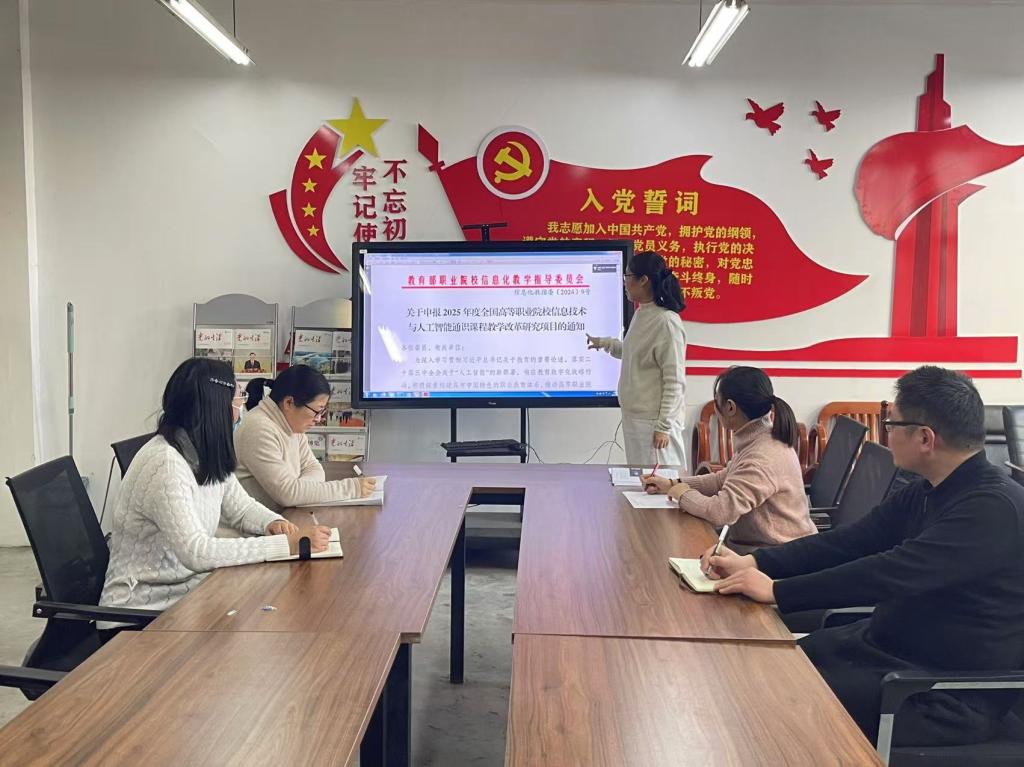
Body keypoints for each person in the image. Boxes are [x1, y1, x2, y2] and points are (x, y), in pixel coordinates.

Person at [702, 366, 1024, 748]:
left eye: (891, 423)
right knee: (761, 667)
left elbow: (889, 572)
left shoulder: (991, 508)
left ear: (925, 438)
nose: (885, 432)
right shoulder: (929, 488)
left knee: (776, 700)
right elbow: (852, 541)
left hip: (938, 692)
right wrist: (757, 563)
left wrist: (777, 591)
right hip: (883, 650)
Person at [100, 358, 330, 616]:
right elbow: (196, 552)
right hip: (142, 612)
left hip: (189, 593)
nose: (241, 411)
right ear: (216, 409)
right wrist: (284, 545)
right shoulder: (165, 463)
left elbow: (241, 508)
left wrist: (274, 523)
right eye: (238, 401)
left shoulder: (204, 452)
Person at [642, 366, 815, 549]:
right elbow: (721, 480)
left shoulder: (761, 457)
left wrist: (683, 493)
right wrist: (672, 484)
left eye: (717, 401)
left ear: (730, 407)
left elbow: (720, 512)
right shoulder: (759, 439)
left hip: (777, 553)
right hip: (759, 546)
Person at [586, 251, 687, 468]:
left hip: (654, 424)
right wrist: (605, 343)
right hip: (636, 419)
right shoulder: (642, 314)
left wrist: (664, 427)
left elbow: (675, 381)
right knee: (641, 481)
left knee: (658, 483)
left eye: (627, 276)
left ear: (644, 280)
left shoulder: (666, 322)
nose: (624, 282)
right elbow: (635, 353)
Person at [235, 365, 375, 510]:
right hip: (257, 523)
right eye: (317, 411)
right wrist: (351, 488)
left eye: (322, 412)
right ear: (289, 403)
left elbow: (314, 469)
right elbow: (287, 494)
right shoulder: (258, 428)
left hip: (282, 517)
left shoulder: (291, 425)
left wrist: (300, 490)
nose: (318, 419)